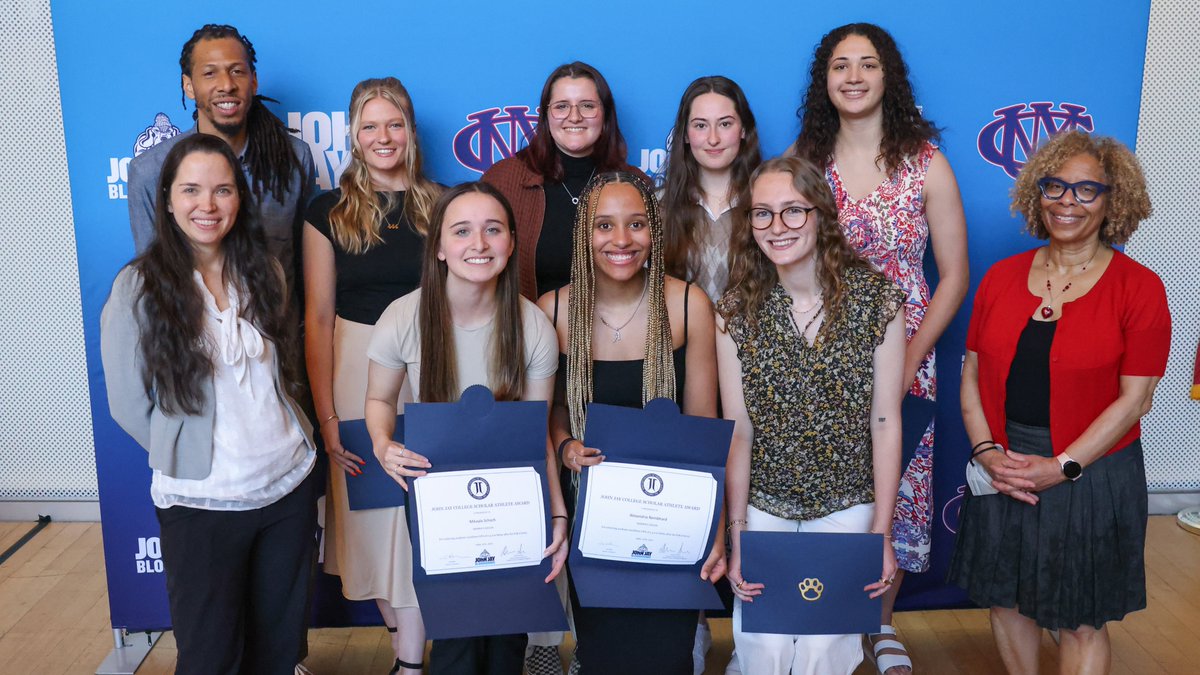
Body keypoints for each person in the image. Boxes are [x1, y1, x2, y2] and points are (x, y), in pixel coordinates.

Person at [949, 130, 1170, 675]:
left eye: (1087, 190)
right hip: (1005, 463)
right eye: (1055, 186)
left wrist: (1062, 465)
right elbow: (972, 370)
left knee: (1080, 618)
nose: (1067, 201)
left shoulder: (1140, 288)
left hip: (1091, 470)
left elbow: (1135, 399)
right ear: (1035, 192)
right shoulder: (1001, 277)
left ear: (1113, 201)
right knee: (1006, 598)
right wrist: (985, 452)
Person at [100, 134, 317, 675]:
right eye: (192, 190)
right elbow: (128, 402)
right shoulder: (139, 286)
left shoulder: (266, 271)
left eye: (222, 190)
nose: (208, 205)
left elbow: (282, 367)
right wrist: (187, 453)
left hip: (286, 486)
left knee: (279, 647)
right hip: (201, 501)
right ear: (167, 199)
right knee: (210, 655)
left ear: (239, 198)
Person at [793, 23, 969, 673]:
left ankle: (881, 623)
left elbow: (953, 274)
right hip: (819, 356)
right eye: (841, 65)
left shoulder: (926, 161)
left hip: (908, 356)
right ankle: (813, 615)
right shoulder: (805, 160)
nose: (855, 76)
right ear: (825, 80)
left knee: (896, 487)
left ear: (888, 76)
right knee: (820, 490)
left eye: (868, 64)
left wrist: (910, 359)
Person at [363, 182, 570, 675]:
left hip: (514, 502)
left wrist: (557, 513)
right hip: (438, 500)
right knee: (455, 645)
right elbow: (378, 399)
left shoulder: (533, 326)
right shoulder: (403, 317)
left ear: (512, 242)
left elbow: (536, 434)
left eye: (492, 230)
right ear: (438, 246)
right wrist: (382, 443)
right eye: (462, 231)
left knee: (505, 644)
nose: (479, 244)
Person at [719, 156, 906, 675]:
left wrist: (881, 535)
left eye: (793, 211)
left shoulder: (877, 302)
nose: (777, 227)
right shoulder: (736, 311)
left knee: (826, 653)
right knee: (765, 651)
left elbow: (886, 422)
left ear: (822, 214)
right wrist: (738, 538)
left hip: (847, 500)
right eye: (762, 214)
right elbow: (739, 431)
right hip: (765, 504)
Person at [538, 172, 724, 674]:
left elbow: (704, 426)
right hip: (591, 516)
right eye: (604, 225)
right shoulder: (554, 310)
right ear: (583, 234)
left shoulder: (688, 305)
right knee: (601, 656)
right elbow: (551, 409)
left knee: (666, 657)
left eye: (636, 224)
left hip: (672, 517)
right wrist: (565, 446)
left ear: (654, 231)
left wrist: (716, 528)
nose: (621, 240)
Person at [302, 77, 441, 674]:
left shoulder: (444, 205)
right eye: (370, 126)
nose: (384, 137)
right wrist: (327, 419)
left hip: (434, 370)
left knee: (425, 516)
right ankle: (406, 655)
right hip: (356, 375)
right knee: (373, 518)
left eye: (395, 124)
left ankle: (410, 664)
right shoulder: (326, 212)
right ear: (354, 136)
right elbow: (317, 319)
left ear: (411, 131)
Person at [127, 23, 317, 311]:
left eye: (237, 71)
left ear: (253, 81)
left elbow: (305, 266)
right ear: (188, 85)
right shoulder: (150, 171)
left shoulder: (294, 158)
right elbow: (153, 281)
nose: (226, 84)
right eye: (209, 73)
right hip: (191, 346)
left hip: (278, 343)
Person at [484, 61, 649, 301]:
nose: (574, 117)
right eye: (562, 106)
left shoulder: (635, 185)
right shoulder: (503, 180)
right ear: (545, 115)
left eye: (587, 106)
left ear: (605, 115)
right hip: (528, 332)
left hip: (614, 333)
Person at [660, 75, 762, 302]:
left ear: (743, 130)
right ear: (685, 134)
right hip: (680, 336)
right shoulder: (657, 204)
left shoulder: (768, 201)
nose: (713, 139)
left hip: (752, 335)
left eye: (725, 124)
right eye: (700, 125)